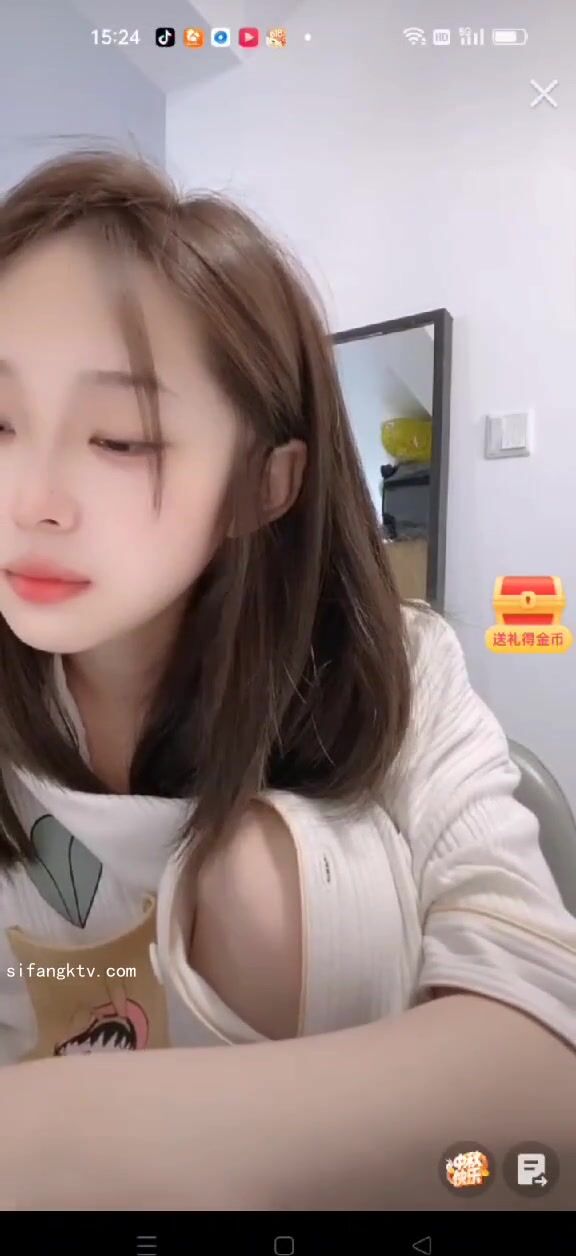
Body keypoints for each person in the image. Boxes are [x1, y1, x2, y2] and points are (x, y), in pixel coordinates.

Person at [0, 150, 573, 1212]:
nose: (29, 497)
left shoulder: (395, 664)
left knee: (268, 875)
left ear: (265, 485)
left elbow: (544, 1068)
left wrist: (53, 1130)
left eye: (119, 438)